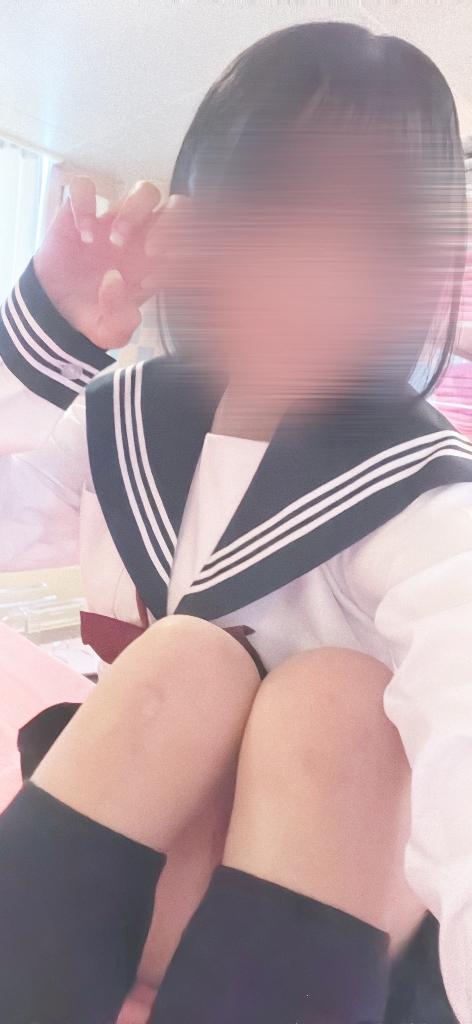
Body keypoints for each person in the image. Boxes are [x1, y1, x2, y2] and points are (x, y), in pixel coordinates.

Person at [0, 19, 471, 1024]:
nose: (318, 270)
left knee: (334, 705)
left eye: (376, 231)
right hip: (138, 882)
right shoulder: (122, 419)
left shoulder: (424, 499)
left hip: (328, 920)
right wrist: (43, 342)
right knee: (181, 664)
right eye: (274, 206)